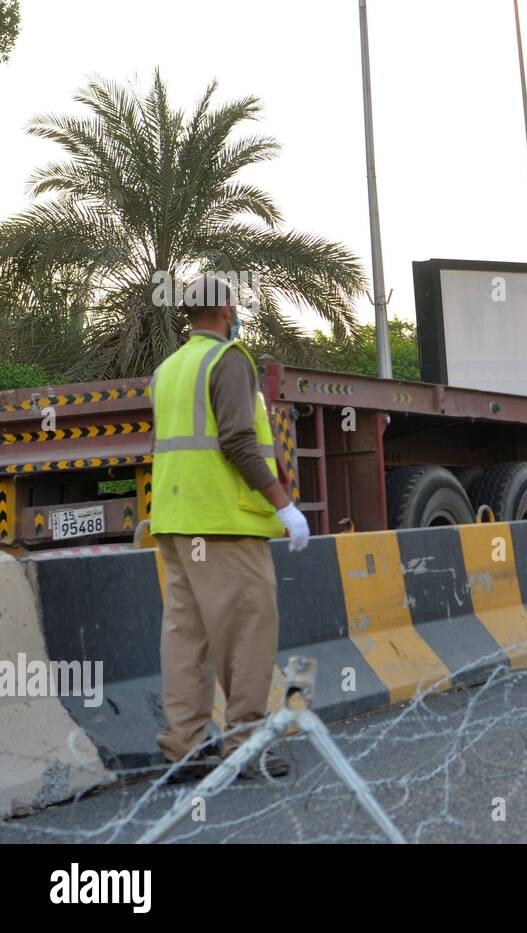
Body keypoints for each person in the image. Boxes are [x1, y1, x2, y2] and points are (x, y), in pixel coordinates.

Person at [149, 274, 310, 782]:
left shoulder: (169, 369)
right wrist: (284, 505)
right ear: (222, 310)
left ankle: (186, 746)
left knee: (186, 636)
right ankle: (246, 744)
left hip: (177, 524)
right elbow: (239, 441)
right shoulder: (229, 360)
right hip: (224, 524)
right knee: (246, 632)